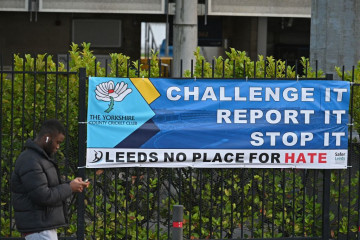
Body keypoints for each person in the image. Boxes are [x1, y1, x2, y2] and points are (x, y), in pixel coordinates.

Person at [11, 119, 89, 240]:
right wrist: (69, 187)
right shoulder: (31, 161)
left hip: (42, 227)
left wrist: (71, 184)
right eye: (57, 142)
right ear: (47, 138)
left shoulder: (39, 158)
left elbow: (49, 187)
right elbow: (43, 196)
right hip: (39, 229)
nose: (58, 147)